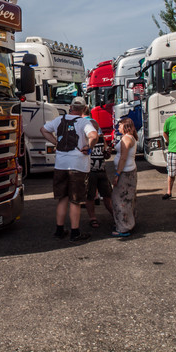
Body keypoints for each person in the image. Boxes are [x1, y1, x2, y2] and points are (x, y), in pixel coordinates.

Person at [41, 96, 98, 242]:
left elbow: (43, 130)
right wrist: (89, 146)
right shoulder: (84, 121)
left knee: (62, 198)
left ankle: (59, 230)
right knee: (75, 200)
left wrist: (55, 142)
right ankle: (75, 232)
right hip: (78, 165)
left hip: (60, 165)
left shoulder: (59, 120)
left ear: (70, 107)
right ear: (84, 109)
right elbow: (93, 135)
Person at [111, 117, 139, 237]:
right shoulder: (129, 137)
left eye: (120, 125)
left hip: (125, 173)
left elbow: (123, 157)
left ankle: (123, 227)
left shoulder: (126, 139)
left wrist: (117, 173)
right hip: (129, 171)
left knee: (120, 199)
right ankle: (127, 222)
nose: (118, 127)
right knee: (129, 198)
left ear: (125, 126)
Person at [84, 111, 113, 229]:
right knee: (90, 196)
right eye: (94, 129)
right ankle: (92, 218)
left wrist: (108, 153)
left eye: (97, 129)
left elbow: (105, 155)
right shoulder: (85, 140)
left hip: (102, 171)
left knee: (107, 195)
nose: (97, 131)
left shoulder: (101, 140)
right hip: (90, 172)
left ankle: (115, 215)